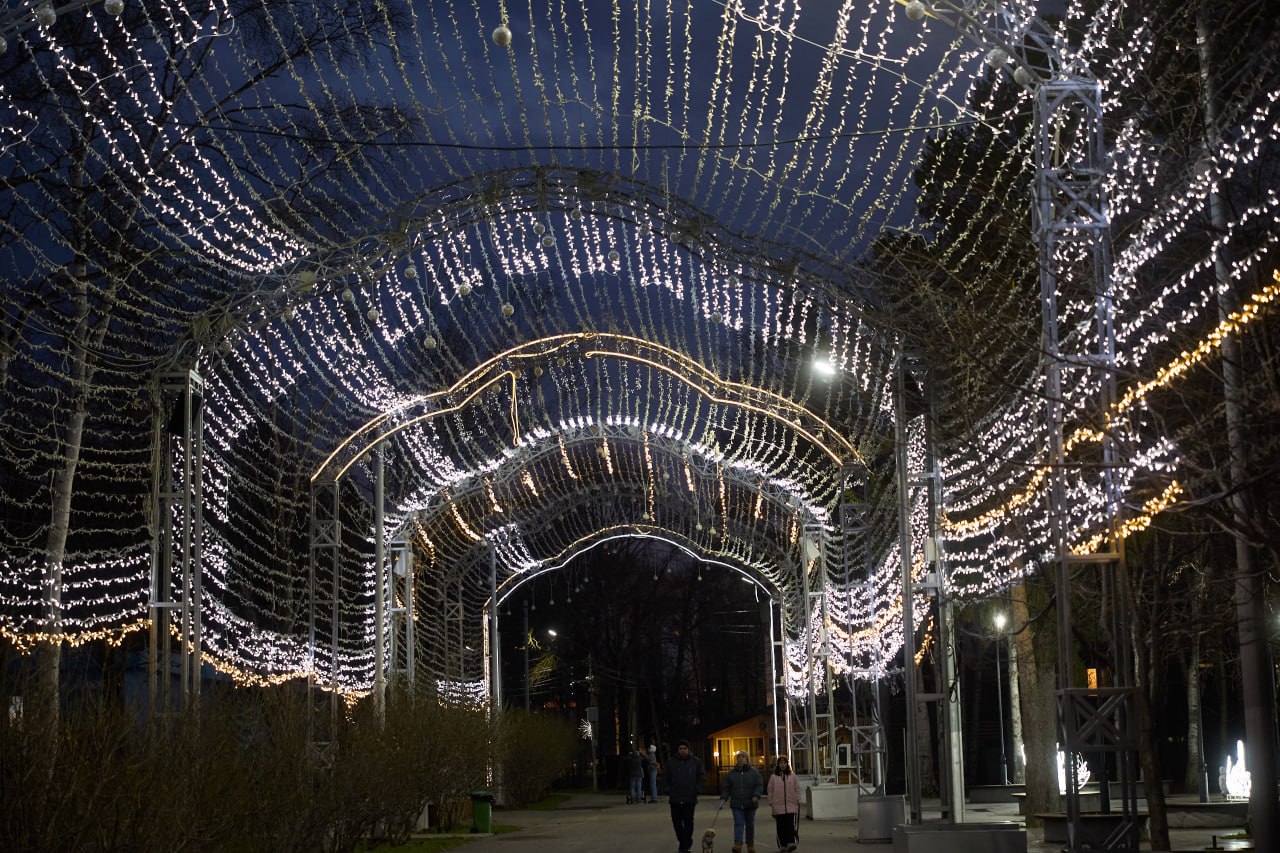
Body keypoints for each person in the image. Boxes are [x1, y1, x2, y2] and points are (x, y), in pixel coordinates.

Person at [720, 750, 764, 853]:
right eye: (739, 757)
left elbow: (759, 785)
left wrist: (756, 795)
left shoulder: (754, 772)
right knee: (738, 823)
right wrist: (723, 798)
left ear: (747, 759)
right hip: (736, 803)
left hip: (751, 803)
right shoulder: (731, 773)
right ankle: (738, 844)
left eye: (743, 756)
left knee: (750, 825)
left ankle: (750, 845)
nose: (740, 758)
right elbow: (726, 788)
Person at [666, 738, 706, 853]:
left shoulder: (696, 762)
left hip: (690, 797)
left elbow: (701, 776)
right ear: (677, 750)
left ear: (688, 749)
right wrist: (668, 789)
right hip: (675, 798)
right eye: (680, 748)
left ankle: (685, 845)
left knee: (688, 822)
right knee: (676, 821)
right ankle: (683, 842)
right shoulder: (671, 762)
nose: (683, 750)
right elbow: (666, 777)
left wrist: (697, 790)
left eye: (685, 748)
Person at [767, 755, 801, 852]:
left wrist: (797, 799)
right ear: (778, 764)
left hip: (791, 805)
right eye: (780, 763)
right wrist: (771, 801)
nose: (782, 765)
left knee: (789, 825)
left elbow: (797, 788)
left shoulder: (793, 776)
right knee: (780, 827)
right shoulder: (773, 777)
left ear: (787, 764)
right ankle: (782, 845)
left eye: (784, 763)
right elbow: (770, 790)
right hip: (778, 806)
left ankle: (790, 843)